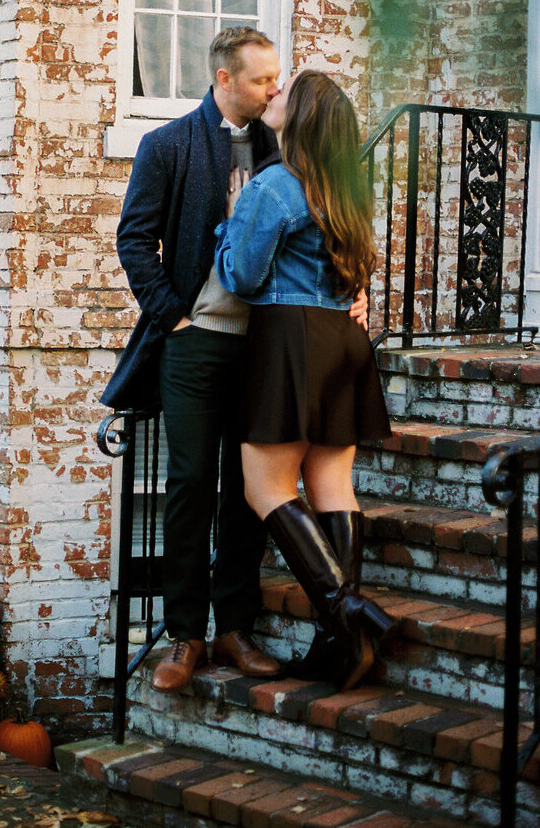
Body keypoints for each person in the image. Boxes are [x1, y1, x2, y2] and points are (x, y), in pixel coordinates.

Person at [102, 29, 367, 694]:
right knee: (191, 481)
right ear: (224, 79)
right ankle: (184, 634)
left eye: (279, 79)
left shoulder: (290, 146)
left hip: (271, 344)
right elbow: (134, 240)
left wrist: (352, 292)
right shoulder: (168, 146)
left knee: (249, 493)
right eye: (261, 80)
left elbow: (331, 218)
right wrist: (175, 315)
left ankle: (234, 627)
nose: (275, 89)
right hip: (196, 341)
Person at [215, 70, 397, 691]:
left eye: (285, 92)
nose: (273, 95)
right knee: (331, 484)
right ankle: (342, 647)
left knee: (264, 487)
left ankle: (344, 611)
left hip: (290, 338)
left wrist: (230, 223)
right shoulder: (347, 191)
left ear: (304, 117)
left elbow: (239, 277)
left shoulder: (274, 187)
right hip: (342, 342)